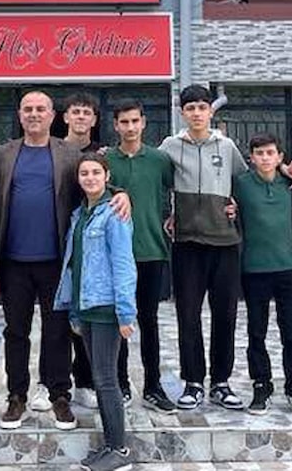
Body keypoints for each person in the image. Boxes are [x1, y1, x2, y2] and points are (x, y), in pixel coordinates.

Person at [0, 91, 132, 430]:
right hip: (13, 261)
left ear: (53, 115)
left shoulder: (68, 155)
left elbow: (92, 185)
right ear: (20, 115)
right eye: (28, 109)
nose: (34, 114)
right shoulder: (4, 154)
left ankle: (59, 395)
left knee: (58, 332)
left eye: (41, 109)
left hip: (56, 260)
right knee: (16, 331)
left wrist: (121, 194)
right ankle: (17, 395)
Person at [158, 84, 247, 410]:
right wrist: (167, 214)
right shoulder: (170, 146)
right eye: (190, 108)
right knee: (188, 315)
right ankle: (193, 382)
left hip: (224, 243)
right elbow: (156, 181)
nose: (197, 113)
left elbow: (244, 182)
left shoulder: (226, 146)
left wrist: (237, 205)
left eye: (202, 107)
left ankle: (221, 382)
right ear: (182, 112)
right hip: (187, 243)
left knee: (225, 315)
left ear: (211, 111)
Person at [55, 153, 136, 471]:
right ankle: (110, 444)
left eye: (96, 172)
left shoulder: (114, 212)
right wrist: (74, 311)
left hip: (106, 308)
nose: (90, 178)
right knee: (100, 379)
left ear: (107, 176)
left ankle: (120, 450)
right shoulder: (80, 214)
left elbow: (123, 263)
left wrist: (125, 312)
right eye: (84, 173)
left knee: (106, 380)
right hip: (85, 307)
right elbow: (75, 265)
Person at [105, 98, 176, 413]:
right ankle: (120, 383)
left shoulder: (159, 160)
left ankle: (153, 386)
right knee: (117, 321)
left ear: (144, 122)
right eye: (124, 122)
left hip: (151, 250)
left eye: (135, 121)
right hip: (115, 255)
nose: (130, 127)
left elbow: (180, 189)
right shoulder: (107, 160)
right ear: (116, 125)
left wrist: (174, 215)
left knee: (149, 321)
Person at [231, 134, 292, 416]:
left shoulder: (290, 182)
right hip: (254, 268)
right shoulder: (241, 184)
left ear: (279, 156)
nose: (265, 158)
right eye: (259, 153)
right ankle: (261, 384)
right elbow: (228, 207)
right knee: (256, 331)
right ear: (251, 157)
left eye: (270, 153)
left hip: (287, 267)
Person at [56, 92, 105, 410]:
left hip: (91, 245)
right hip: (55, 241)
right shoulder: (53, 151)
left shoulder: (102, 154)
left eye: (87, 112)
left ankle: (87, 381)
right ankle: (54, 383)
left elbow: (113, 189)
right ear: (65, 117)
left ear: (94, 119)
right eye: (76, 112)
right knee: (58, 320)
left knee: (89, 314)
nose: (81, 117)